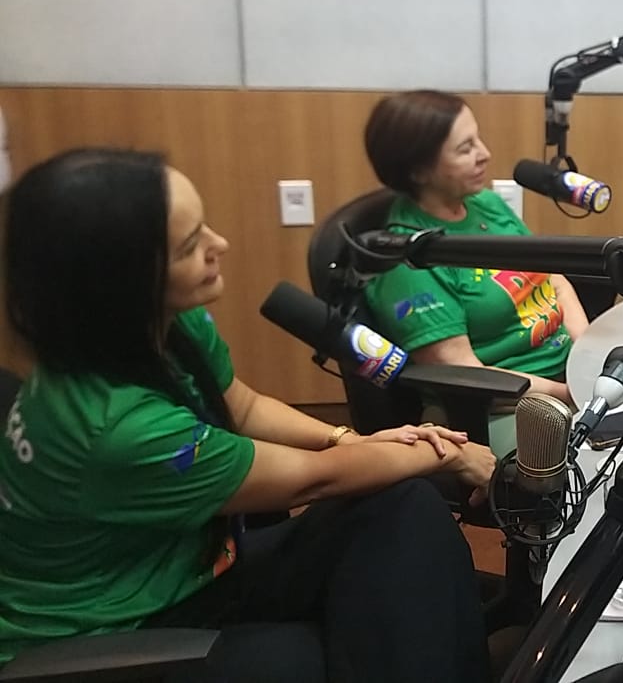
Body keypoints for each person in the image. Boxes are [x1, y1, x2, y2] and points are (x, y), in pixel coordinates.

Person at [0, 148, 497, 682]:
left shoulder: (163, 326)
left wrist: (348, 440)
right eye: (190, 246)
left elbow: (241, 406)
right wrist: (448, 453)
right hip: (113, 628)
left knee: (404, 506)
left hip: (187, 566)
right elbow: (312, 480)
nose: (220, 244)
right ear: (119, 282)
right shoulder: (116, 427)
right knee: (310, 655)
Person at [362, 91, 590, 416]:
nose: (485, 154)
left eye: (478, 139)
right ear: (418, 171)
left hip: (571, 378)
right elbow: (463, 373)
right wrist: (571, 394)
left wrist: (588, 356)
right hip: (511, 407)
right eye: (465, 148)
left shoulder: (486, 204)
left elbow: (554, 280)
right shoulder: (408, 263)